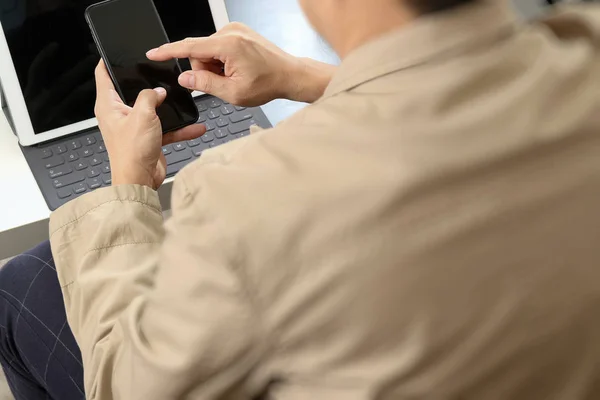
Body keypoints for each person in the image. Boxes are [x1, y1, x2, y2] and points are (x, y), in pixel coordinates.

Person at [1, 0, 600, 398]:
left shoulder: (252, 193)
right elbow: (453, 91)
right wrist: (303, 78)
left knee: (16, 287)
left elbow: (130, 384)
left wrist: (128, 182)